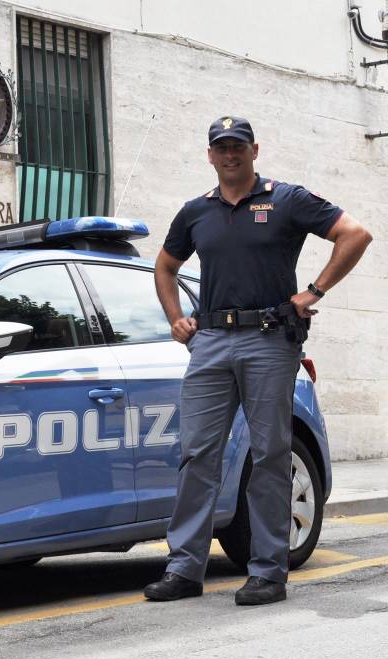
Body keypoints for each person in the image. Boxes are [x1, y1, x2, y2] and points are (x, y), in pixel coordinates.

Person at [145, 116, 372, 605]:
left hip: (269, 340)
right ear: (210, 154)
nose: (230, 155)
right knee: (197, 454)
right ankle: (184, 569)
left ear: (254, 151)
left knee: (269, 454)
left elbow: (355, 235)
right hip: (208, 343)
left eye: (238, 147)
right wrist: (175, 317)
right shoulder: (194, 212)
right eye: (221, 147)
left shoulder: (285, 199)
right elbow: (165, 266)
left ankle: (268, 571)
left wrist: (313, 291)